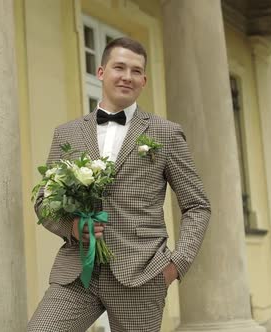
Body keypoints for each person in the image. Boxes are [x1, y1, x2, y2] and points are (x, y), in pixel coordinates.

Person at [27, 37, 211, 332]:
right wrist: (72, 227)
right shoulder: (67, 134)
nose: (127, 76)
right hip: (77, 273)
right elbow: (44, 202)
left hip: (141, 274)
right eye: (119, 67)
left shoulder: (165, 133)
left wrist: (177, 263)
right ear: (101, 72)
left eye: (136, 71)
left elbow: (197, 205)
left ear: (144, 80)